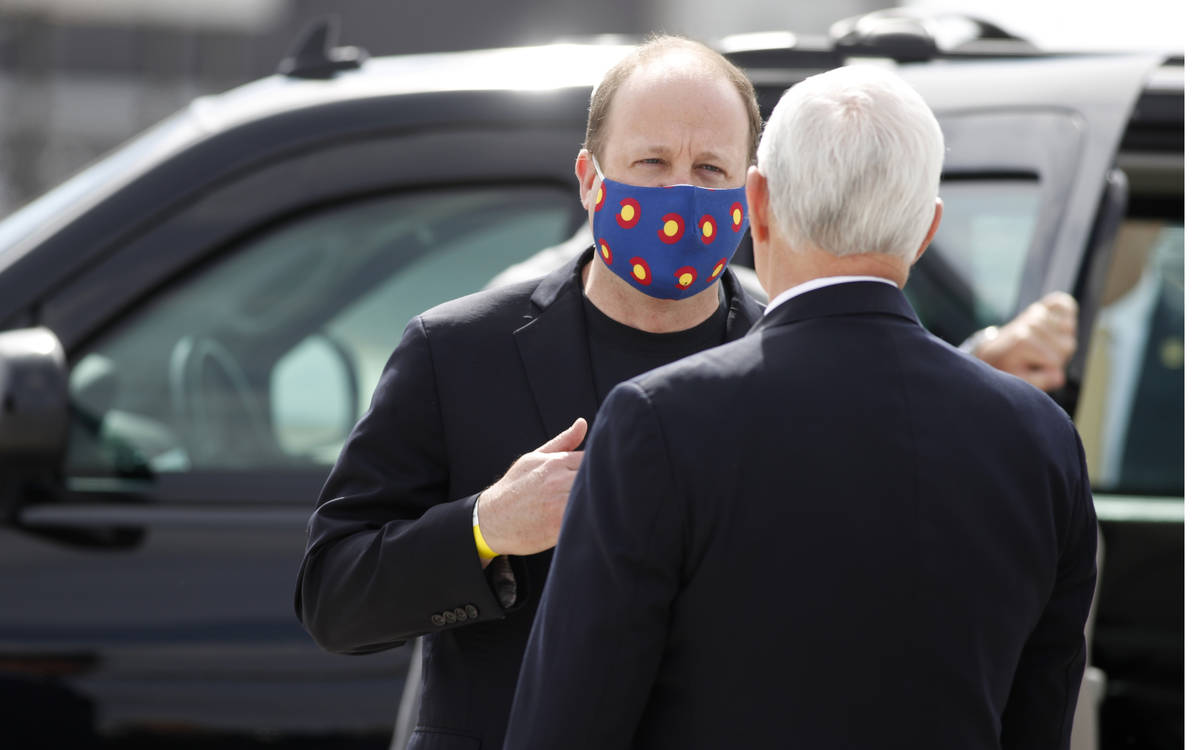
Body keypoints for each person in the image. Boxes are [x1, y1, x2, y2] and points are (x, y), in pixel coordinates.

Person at [295, 38, 1081, 750]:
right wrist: (483, 528)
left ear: (753, 196)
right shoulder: (458, 350)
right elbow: (332, 595)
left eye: (710, 171)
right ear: (590, 181)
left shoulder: (788, 356)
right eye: (652, 164)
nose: (681, 194)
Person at [503, 64, 1097, 750]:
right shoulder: (1042, 439)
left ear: (756, 202)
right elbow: (1040, 715)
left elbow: (567, 724)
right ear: (926, 229)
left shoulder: (659, 420)